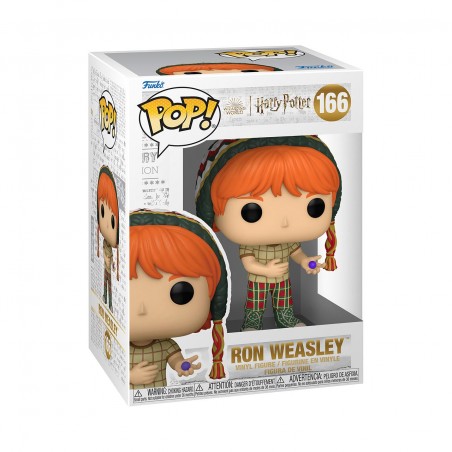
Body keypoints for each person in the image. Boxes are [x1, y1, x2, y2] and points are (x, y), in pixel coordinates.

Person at [195, 136, 341, 331]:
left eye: (313, 207)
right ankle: (252, 323)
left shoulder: (287, 242)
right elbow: (249, 263)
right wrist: (266, 271)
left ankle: (286, 319)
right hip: (258, 280)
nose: (284, 223)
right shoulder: (251, 244)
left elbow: (296, 252)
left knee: (284, 302)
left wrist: (306, 261)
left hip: (283, 280)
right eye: (251, 211)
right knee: (255, 305)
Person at [129, 210, 229, 389]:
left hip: (158, 393)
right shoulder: (119, 343)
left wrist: (183, 366)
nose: (142, 309)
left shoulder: (165, 344)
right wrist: (130, 376)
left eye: (180, 293)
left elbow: (176, 360)